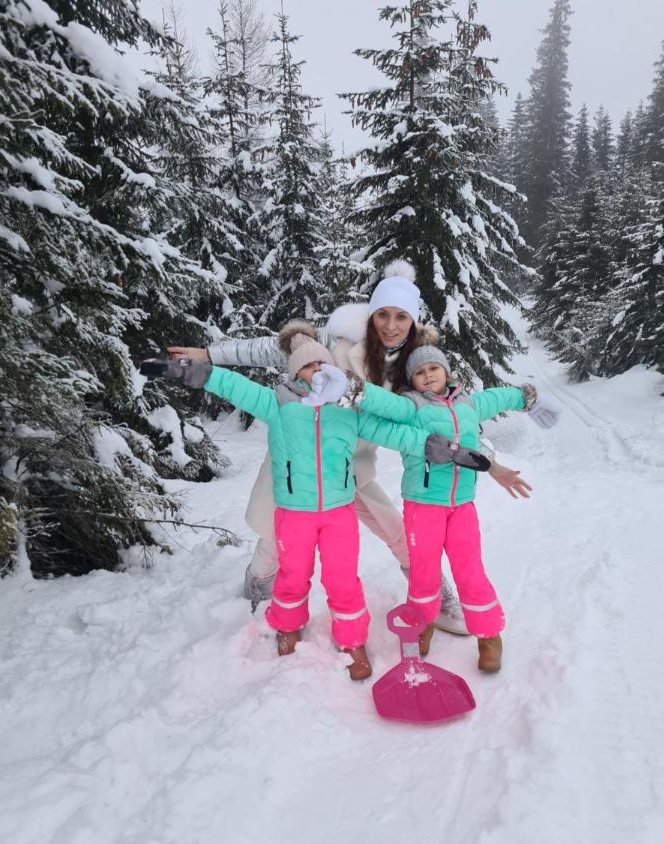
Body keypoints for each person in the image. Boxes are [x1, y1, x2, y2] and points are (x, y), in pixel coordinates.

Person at [167, 261, 531, 634]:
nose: (391, 325)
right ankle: (258, 582)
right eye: (383, 315)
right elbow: (266, 351)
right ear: (372, 314)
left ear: (413, 322)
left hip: (355, 468)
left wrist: (489, 462)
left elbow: (453, 420)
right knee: (279, 539)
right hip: (304, 462)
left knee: (398, 532)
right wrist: (210, 355)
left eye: (401, 317)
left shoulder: (416, 368)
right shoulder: (336, 343)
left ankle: (436, 598)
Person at [141, 324, 478, 680]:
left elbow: (393, 432)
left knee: (343, 578)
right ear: (293, 372)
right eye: (306, 366)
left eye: (322, 365)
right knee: (292, 573)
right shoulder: (279, 403)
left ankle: (352, 639)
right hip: (294, 511)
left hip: (338, 513)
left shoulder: (348, 408)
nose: (316, 371)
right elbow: (234, 386)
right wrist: (199, 371)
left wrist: (435, 447)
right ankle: (287, 622)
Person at [324, 338, 560, 673]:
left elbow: (500, 397)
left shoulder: (468, 404)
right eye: (420, 372)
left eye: (433, 368)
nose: (428, 375)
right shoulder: (411, 406)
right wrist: (355, 391)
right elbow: (385, 405)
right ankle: (422, 625)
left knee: (470, 570)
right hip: (423, 506)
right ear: (413, 380)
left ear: (446, 371)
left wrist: (527, 397)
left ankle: (489, 635)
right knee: (424, 572)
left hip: (462, 506)